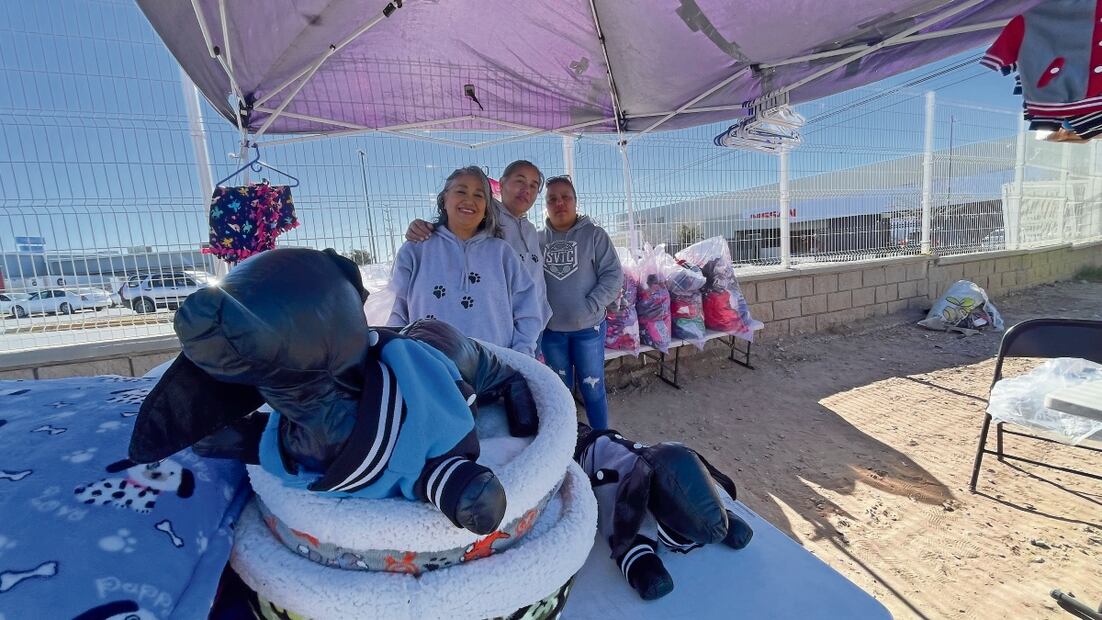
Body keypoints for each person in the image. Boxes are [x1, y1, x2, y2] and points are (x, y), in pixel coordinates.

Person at [388, 166, 541, 356]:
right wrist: (399, 356)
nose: (469, 200)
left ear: (487, 208)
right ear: (444, 199)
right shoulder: (415, 249)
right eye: (461, 191)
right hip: (429, 367)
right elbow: (396, 310)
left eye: (479, 195)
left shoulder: (502, 253)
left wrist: (520, 357)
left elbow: (528, 310)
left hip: (492, 369)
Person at [539, 176, 622, 429]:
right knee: (561, 395)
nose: (559, 203)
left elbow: (613, 274)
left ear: (575, 201)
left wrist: (591, 305)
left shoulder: (594, 235)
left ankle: (601, 440)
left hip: (588, 330)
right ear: (545, 205)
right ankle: (568, 443)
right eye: (552, 198)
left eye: (566, 197)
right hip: (552, 333)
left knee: (593, 389)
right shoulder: (537, 240)